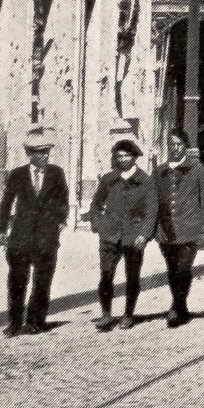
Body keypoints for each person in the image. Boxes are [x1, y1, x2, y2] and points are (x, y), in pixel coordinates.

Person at [0, 126, 70, 336]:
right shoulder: (17, 175)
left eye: (47, 151)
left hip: (46, 237)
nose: (45, 156)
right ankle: (14, 323)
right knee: (17, 282)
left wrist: (60, 221)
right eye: (39, 152)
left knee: (42, 281)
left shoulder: (56, 173)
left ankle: (36, 321)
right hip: (21, 237)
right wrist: (1, 229)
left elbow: (63, 200)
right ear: (29, 154)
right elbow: (6, 203)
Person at [88, 138, 155, 332]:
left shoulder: (145, 181)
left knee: (132, 277)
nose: (123, 159)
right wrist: (98, 224)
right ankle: (106, 314)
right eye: (119, 156)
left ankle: (128, 314)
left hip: (133, 236)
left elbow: (152, 210)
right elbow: (96, 204)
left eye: (127, 155)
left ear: (134, 157)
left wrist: (144, 234)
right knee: (106, 274)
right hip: (109, 235)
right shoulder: (109, 179)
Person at [154, 129, 204, 328]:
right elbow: (155, 202)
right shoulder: (160, 171)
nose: (175, 148)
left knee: (183, 269)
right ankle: (181, 306)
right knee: (172, 270)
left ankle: (178, 306)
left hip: (189, 231)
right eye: (171, 144)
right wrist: (154, 230)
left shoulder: (198, 170)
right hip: (166, 232)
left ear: (186, 147)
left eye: (179, 144)